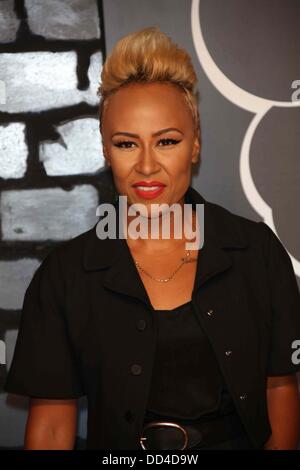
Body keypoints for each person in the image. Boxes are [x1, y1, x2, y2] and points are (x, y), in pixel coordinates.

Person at [4, 26, 300, 451]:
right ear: (106, 151)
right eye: (126, 144)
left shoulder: (256, 253)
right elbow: (51, 428)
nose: (146, 166)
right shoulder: (65, 277)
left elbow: (279, 391)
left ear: (195, 145)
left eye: (166, 141)